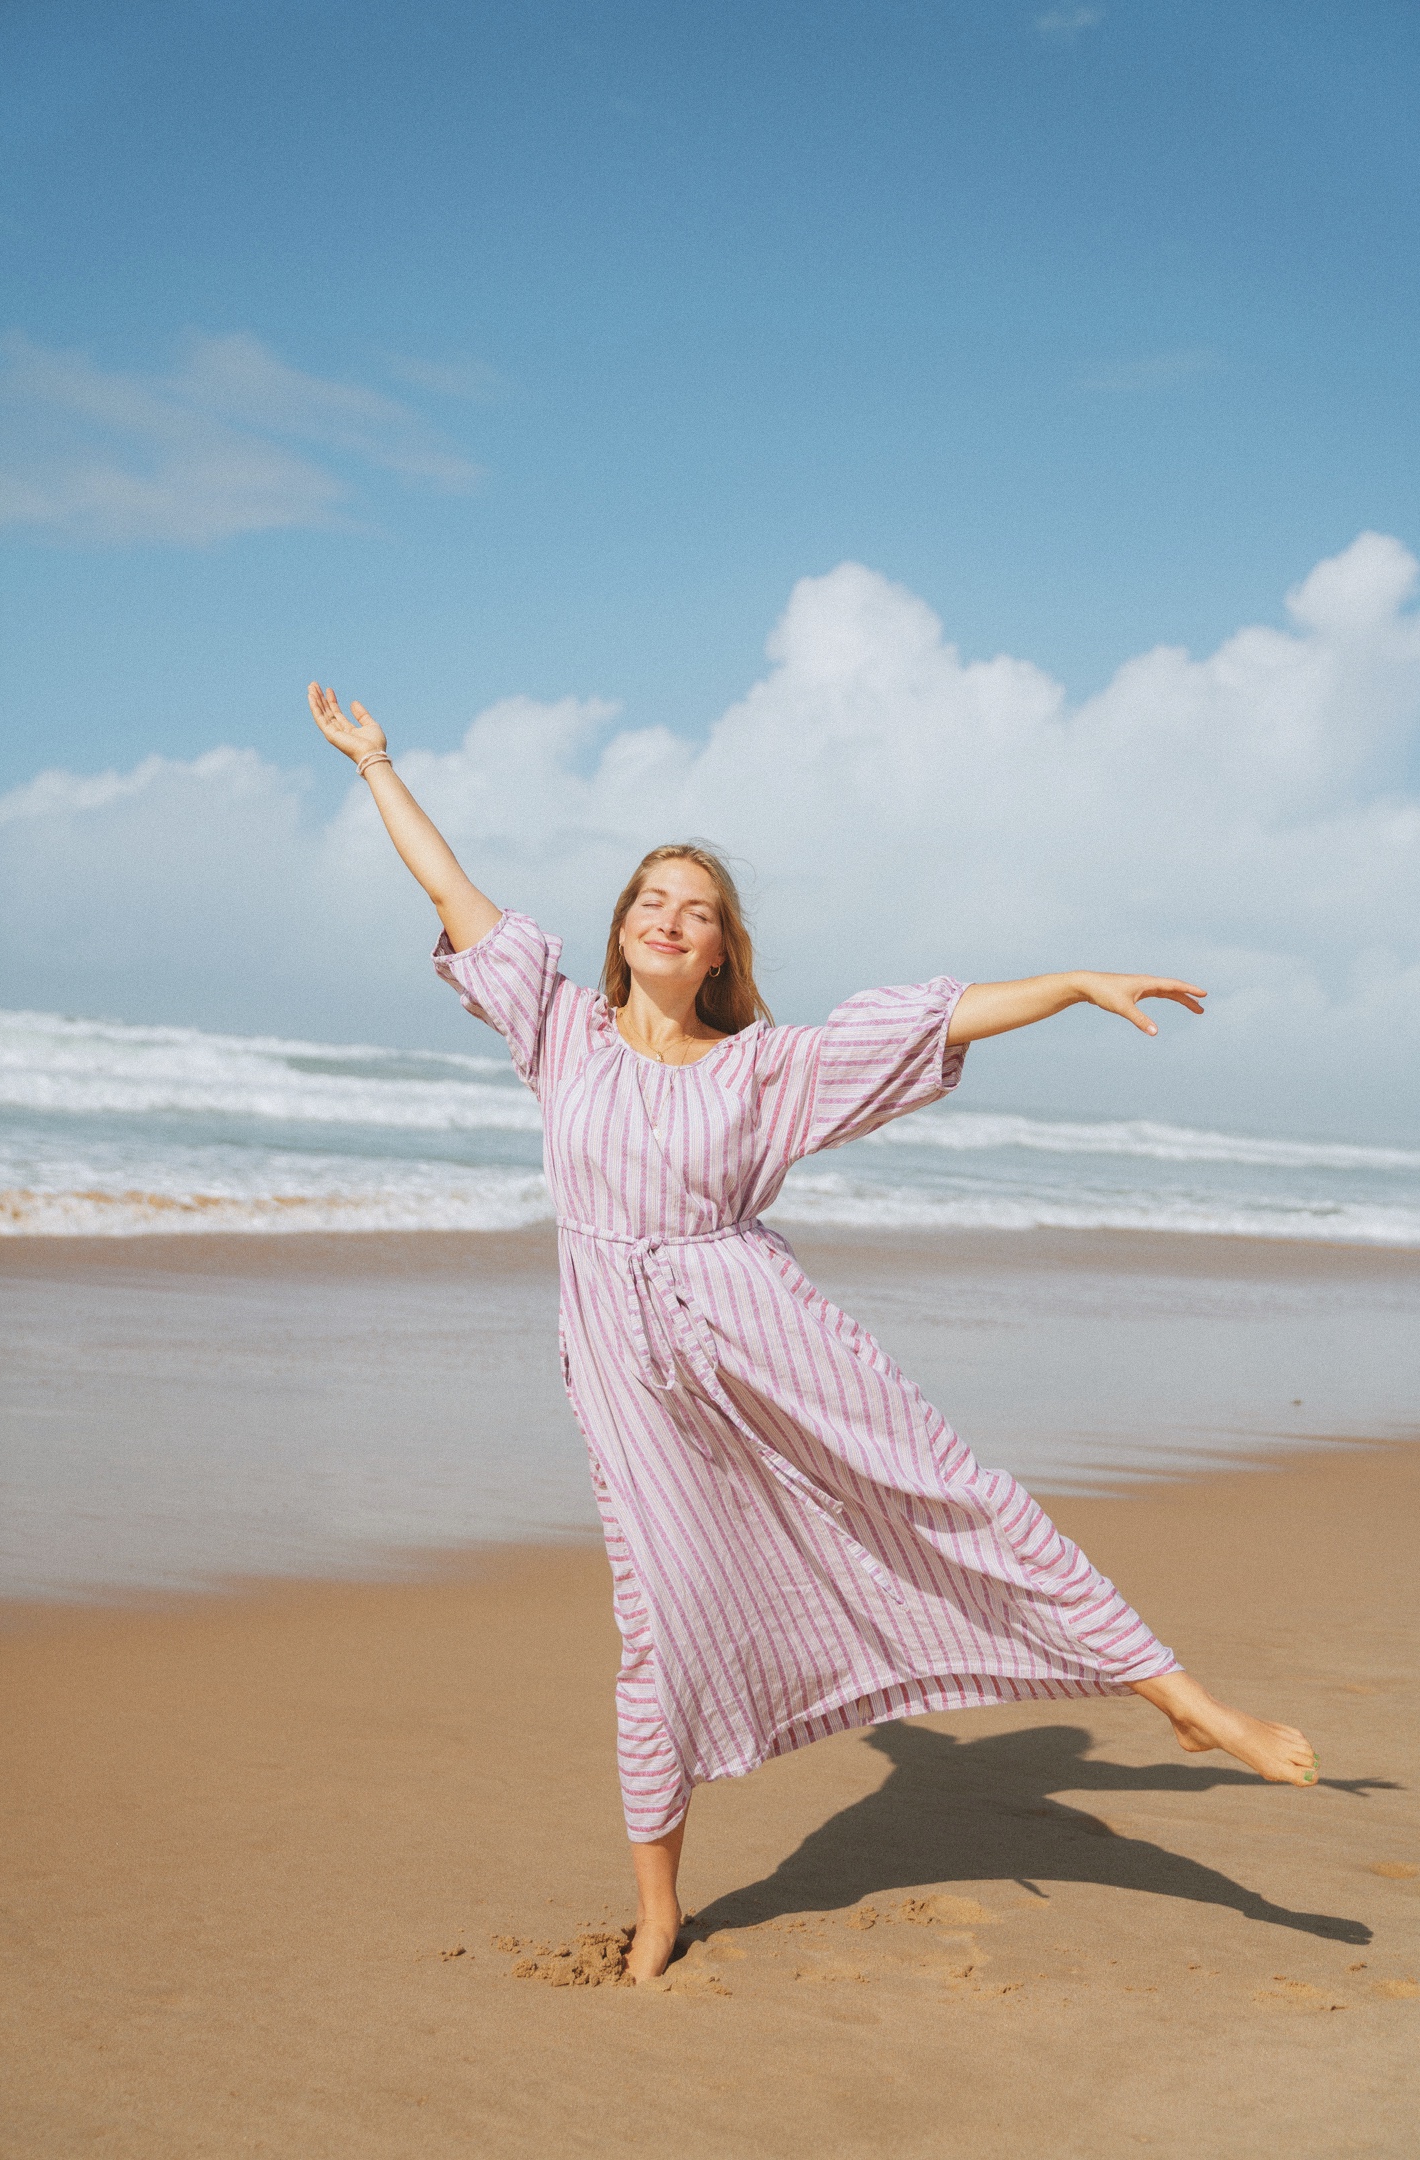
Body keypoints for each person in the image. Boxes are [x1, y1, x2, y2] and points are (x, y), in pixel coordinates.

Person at [309, 683, 1320, 1982]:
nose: (670, 919)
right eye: (650, 901)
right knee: (656, 1621)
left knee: (944, 1493)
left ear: (722, 949)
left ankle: (1183, 1698)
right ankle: (662, 1900)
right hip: (628, 1370)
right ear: (624, 930)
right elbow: (451, 894)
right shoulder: (557, 1029)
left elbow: (919, 1024)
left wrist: (1068, 983)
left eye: (698, 910)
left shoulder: (764, 1067)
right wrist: (378, 767)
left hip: (761, 1325)